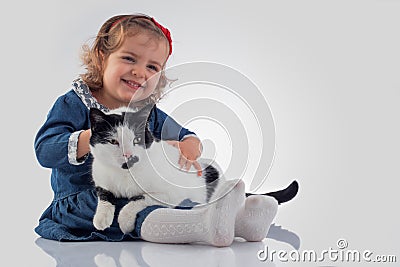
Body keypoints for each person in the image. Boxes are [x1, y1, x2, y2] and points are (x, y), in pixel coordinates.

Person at [34, 14, 280, 247]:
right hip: (84, 199)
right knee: (124, 209)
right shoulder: (74, 103)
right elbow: (45, 150)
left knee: (174, 190)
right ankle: (201, 225)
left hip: (141, 191)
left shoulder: (145, 112)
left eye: (152, 67)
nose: (140, 72)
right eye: (129, 58)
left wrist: (189, 147)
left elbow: (185, 135)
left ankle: (242, 218)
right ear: (101, 56)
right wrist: (94, 136)